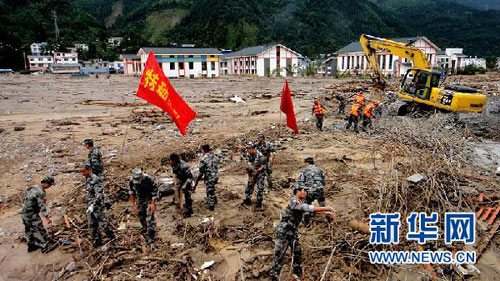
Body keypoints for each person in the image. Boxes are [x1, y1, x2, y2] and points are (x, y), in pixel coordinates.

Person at [269, 184, 334, 281]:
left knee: (297, 252)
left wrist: (325, 212)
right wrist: (327, 208)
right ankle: (273, 275)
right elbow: (307, 208)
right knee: (279, 255)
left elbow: (309, 211)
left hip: (292, 232)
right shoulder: (293, 201)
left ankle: (297, 273)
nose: (306, 192)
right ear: (298, 191)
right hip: (284, 232)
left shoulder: (300, 202)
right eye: (304, 190)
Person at [81, 162, 115, 247]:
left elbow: (99, 195)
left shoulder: (95, 179)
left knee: (104, 224)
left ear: (89, 170)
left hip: (98, 206)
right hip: (90, 206)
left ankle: (113, 240)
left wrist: (93, 205)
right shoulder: (87, 178)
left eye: (84, 171)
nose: (82, 173)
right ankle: (97, 243)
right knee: (92, 225)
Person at [21, 176, 55, 253]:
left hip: (24, 212)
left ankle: (31, 246)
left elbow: (25, 198)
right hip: (31, 214)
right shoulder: (40, 192)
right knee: (37, 228)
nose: (49, 187)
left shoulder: (33, 187)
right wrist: (47, 217)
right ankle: (43, 246)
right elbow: (42, 206)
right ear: (45, 183)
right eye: (49, 185)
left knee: (28, 229)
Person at [129, 168, 159, 245]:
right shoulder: (132, 180)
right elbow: (131, 192)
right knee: (141, 214)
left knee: (149, 217)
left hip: (150, 197)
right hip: (141, 197)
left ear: (142, 176)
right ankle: (145, 228)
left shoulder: (149, 179)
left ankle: (151, 237)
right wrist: (133, 205)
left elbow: (155, 191)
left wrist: (152, 204)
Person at [297, 156, 326, 225]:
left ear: (306, 163)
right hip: (320, 190)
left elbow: (300, 183)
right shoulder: (320, 170)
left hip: (309, 191)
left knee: (306, 204)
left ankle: (306, 222)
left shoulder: (304, 171)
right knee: (322, 204)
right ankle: (327, 218)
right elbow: (323, 182)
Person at [164, 153, 194, 218]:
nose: (169, 162)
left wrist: (185, 185)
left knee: (187, 196)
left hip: (186, 181)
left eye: (170, 160)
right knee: (178, 193)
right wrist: (176, 181)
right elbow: (175, 173)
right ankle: (180, 206)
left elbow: (190, 177)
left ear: (174, 160)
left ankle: (189, 212)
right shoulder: (173, 164)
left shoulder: (184, 166)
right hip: (180, 179)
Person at [242, 142, 267, 209]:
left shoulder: (260, 155)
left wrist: (256, 172)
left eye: (248, 149)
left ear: (253, 149)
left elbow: (263, 167)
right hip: (253, 172)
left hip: (260, 173)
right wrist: (250, 175)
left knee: (260, 188)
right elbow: (249, 164)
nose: (247, 150)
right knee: (249, 185)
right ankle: (247, 199)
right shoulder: (249, 154)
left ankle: (259, 203)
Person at [194, 144, 219, 211]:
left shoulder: (204, 158)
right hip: (216, 176)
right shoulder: (214, 156)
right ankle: (214, 200)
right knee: (212, 189)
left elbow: (201, 171)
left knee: (210, 191)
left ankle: (211, 206)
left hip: (209, 177)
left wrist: (197, 181)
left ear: (203, 150)